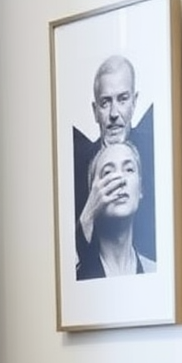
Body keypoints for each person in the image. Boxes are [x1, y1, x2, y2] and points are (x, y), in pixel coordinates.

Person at [72, 55, 155, 268]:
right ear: (95, 111)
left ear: (135, 102)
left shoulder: (155, 152)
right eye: (105, 102)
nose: (114, 114)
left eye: (123, 99)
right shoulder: (76, 164)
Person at [76, 138, 157, 280]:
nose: (120, 179)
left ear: (141, 190)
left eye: (129, 169)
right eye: (107, 172)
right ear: (93, 196)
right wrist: (87, 216)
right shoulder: (77, 273)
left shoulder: (154, 271)